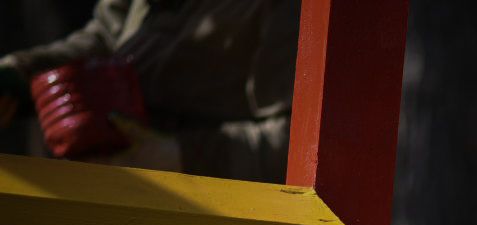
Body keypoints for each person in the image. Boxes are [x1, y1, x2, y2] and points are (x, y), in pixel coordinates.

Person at [0, 0, 298, 183]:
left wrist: (176, 155)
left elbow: (295, 147)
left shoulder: (288, 10)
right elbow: (108, 37)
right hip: (107, 188)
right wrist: (21, 74)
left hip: (202, 221)